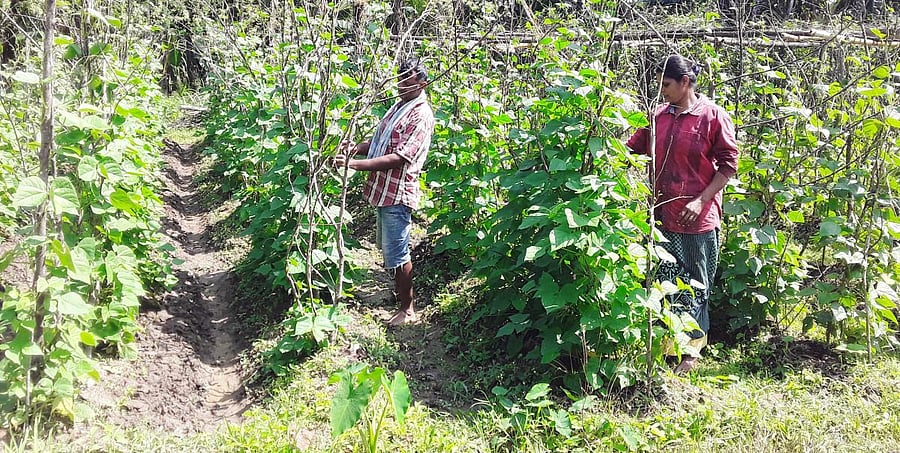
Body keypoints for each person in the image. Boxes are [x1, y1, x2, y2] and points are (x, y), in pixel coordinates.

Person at [626, 55, 739, 373]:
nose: (661, 90)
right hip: (661, 216)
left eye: (666, 84)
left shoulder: (712, 117)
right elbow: (632, 149)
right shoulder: (658, 117)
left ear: (686, 83)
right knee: (664, 281)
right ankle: (667, 348)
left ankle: (690, 354)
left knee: (695, 283)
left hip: (696, 219)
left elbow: (729, 164)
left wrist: (701, 200)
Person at [334, 57, 435, 326]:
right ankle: (400, 296)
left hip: (398, 191)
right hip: (383, 189)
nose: (401, 84)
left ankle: (408, 309)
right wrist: (355, 148)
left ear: (422, 83)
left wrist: (354, 164)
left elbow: (400, 157)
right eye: (399, 78)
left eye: (408, 80)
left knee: (398, 251)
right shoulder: (399, 106)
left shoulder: (420, 115)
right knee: (390, 249)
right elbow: (381, 142)